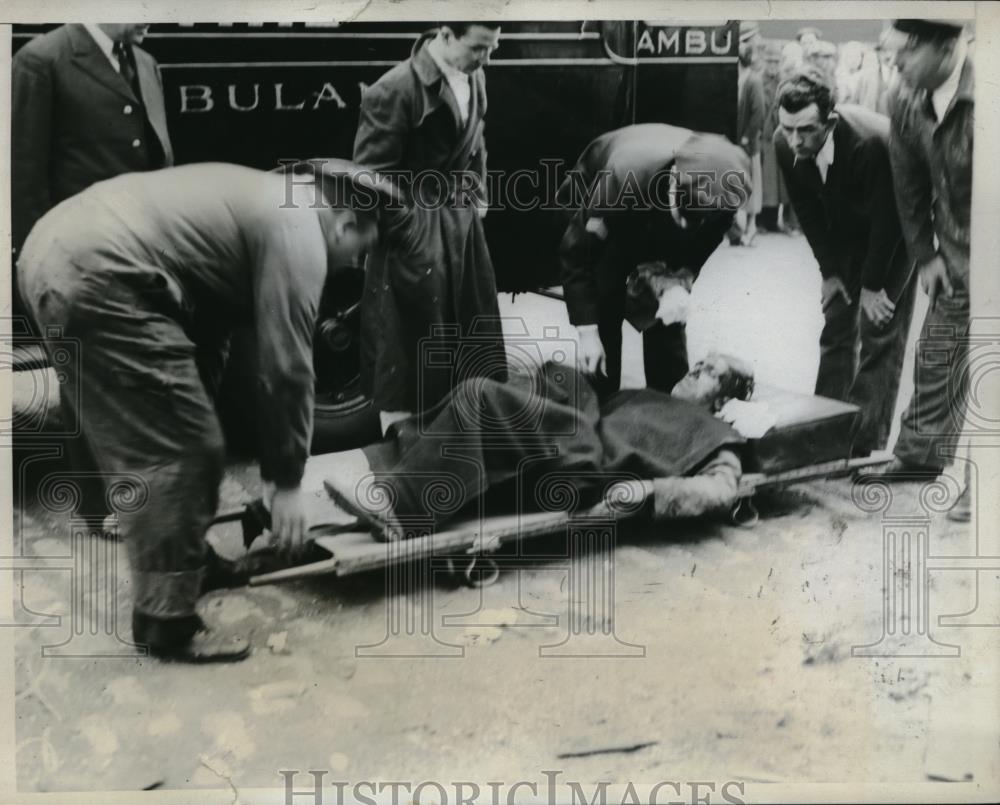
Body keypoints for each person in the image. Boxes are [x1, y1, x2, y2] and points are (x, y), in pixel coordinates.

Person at [17, 161, 392, 662]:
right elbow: (288, 370)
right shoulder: (300, 233)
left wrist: (198, 415)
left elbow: (210, 338)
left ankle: (186, 562)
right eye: (360, 249)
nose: (352, 264)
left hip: (57, 252)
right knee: (182, 451)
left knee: (186, 436)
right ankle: (164, 620)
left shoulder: (271, 205)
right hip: (98, 271)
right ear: (345, 224)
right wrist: (284, 485)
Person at [12, 23, 174, 533]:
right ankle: (101, 506)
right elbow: (23, 175)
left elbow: (159, 158)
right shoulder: (42, 61)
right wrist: (39, 263)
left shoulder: (145, 65)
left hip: (141, 253)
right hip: (74, 257)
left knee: (136, 377)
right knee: (86, 380)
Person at [321, 353, 755, 540]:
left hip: (587, 464)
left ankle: (402, 507)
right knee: (505, 392)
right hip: (573, 434)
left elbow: (721, 490)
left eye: (710, 372)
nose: (695, 368)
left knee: (480, 395)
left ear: (722, 400)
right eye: (701, 361)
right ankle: (390, 473)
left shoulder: (716, 434)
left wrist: (649, 493)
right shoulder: (656, 397)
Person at [353, 21, 506, 434]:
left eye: (493, 48)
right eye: (478, 48)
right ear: (445, 34)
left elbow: (478, 143)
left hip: (460, 227)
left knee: (467, 344)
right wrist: (408, 233)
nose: (486, 58)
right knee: (407, 355)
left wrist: (479, 194)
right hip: (413, 232)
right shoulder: (395, 89)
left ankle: (457, 445)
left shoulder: (477, 77)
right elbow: (370, 179)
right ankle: (405, 459)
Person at [862, 20, 974, 522]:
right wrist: (924, 254)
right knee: (938, 353)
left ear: (946, 46)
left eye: (904, 54)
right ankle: (920, 454)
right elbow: (907, 181)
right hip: (953, 250)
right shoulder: (903, 97)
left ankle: (978, 480)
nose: (896, 65)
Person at [775, 67, 916, 458]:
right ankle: (825, 430)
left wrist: (872, 286)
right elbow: (806, 210)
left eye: (805, 130)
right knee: (837, 322)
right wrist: (831, 273)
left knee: (879, 332)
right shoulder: (783, 143)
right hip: (851, 225)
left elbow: (889, 222)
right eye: (787, 128)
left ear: (830, 122)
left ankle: (862, 444)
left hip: (900, 229)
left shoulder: (869, 145)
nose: (794, 140)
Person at [557, 123, 750, 395]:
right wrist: (588, 332)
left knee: (668, 316)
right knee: (604, 303)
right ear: (674, 181)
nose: (686, 226)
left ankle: (669, 406)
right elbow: (577, 253)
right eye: (682, 216)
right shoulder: (623, 176)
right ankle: (599, 400)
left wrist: (678, 280)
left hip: (654, 215)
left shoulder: (725, 197)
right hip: (610, 203)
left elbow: (700, 248)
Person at [854, 29, 897, 115]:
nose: (888, 55)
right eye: (884, 50)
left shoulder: (906, 76)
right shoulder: (866, 76)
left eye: (892, 50)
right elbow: (857, 104)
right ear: (878, 53)